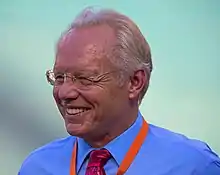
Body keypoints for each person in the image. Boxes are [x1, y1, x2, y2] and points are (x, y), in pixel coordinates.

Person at [18, 7, 220, 175]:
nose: (64, 93)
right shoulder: (37, 167)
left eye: (85, 78)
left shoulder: (193, 166)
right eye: (59, 77)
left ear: (135, 82)